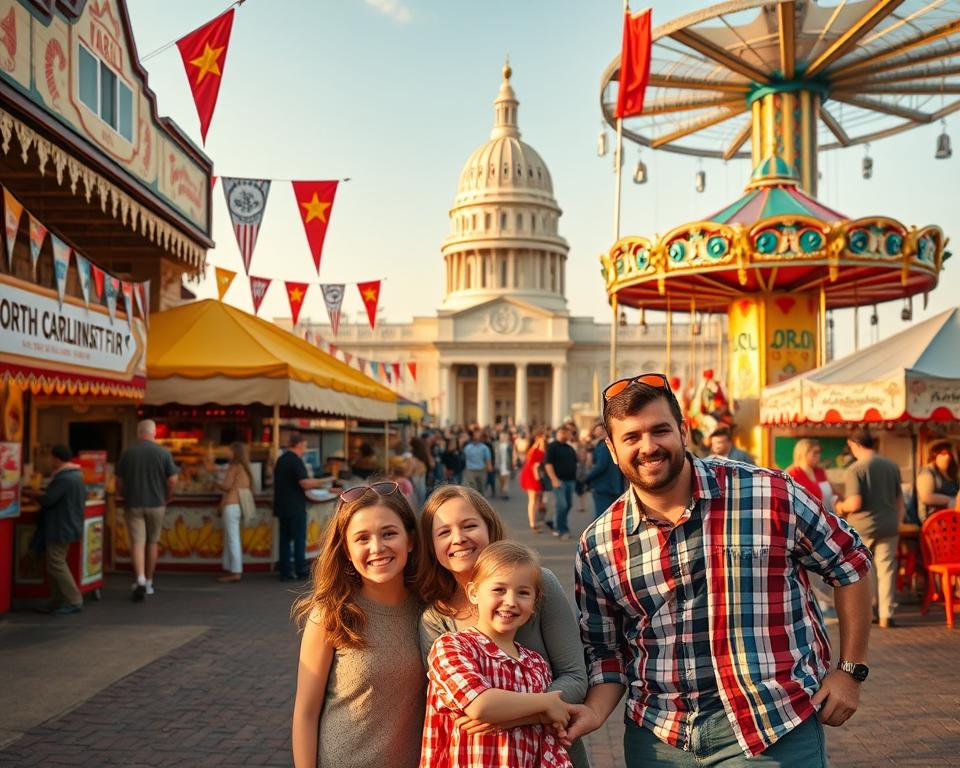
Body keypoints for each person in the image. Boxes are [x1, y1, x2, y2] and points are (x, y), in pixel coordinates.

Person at [567, 373, 874, 767]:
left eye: (660, 430)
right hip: (660, 738)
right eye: (631, 437)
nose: (648, 447)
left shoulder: (767, 493)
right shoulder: (599, 544)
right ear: (611, 448)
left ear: (682, 429)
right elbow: (605, 649)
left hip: (770, 729)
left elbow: (851, 562)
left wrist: (850, 671)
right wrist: (594, 712)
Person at [417, 485, 590, 768]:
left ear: (489, 527)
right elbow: (463, 708)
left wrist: (522, 715)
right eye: (444, 532)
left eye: (469, 525)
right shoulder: (436, 619)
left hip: (547, 754)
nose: (458, 538)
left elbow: (574, 677)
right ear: (431, 544)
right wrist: (547, 707)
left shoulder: (538, 584)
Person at [291, 481, 425, 768]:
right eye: (362, 538)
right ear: (347, 550)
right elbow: (305, 714)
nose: (377, 548)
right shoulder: (331, 614)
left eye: (389, 533)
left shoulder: (431, 611)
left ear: (410, 540)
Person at [835, 429, 904, 629]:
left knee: (865, 571)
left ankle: (868, 611)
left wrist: (840, 506)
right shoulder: (892, 466)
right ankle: (886, 615)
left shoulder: (856, 469)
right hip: (889, 525)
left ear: (854, 444)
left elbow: (855, 503)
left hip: (863, 527)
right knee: (887, 570)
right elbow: (898, 499)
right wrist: (896, 521)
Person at [116, 419, 179, 602]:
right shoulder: (163, 453)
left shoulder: (128, 452)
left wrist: (124, 495)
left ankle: (140, 579)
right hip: (157, 504)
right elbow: (173, 479)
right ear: (154, 433)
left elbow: (118, 481)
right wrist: (167, 496)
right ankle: (149, 582)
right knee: (152, 542)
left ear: (138, 433)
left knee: (137, 542)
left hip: (133, 504)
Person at [27, 445, 85, 615]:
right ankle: (57, 600)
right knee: (54, 563)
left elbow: (49, 499)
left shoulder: (64, 478)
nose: (50, 461)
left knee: (56, 563)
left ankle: (74, 599)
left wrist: (35, 494)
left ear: (57, 459)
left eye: (52, 458)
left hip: (60, 526)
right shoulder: (75, 476)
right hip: (68, 525)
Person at [273, 433, 326, 582]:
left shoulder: (281, 459)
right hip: (295, 505)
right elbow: (305, 483)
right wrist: (325, 481)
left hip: (281, 505)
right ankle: (301, 569)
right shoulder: (296, 461)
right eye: (305, 445)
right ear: (299, 444)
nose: (305, 448)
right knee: (299, 538)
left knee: (284, 539)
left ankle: (285, 571)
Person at [216, 442, 254, 584]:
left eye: (229, 451)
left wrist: (215, 482)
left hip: (231, 505)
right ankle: (230, 567)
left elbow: (226, 486)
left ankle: (235, 571)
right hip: (238, 506)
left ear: (235, 452)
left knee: (232, 539)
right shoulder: (245, 468)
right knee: (232, 538)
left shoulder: (234, 467)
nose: (227, 453)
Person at [583, 423, 624, 519]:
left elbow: (600, 466)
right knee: (612, 516)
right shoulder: (613, 443)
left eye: (597, 430)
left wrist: (587, 477)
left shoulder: (603, 445)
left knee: (602, 517)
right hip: (614, 485)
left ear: (603, 430)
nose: (594, 432)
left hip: (604, 486)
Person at [544, 425, 578, 539]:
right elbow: (548, 464)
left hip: (571, 481)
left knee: (568, 505)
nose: (567, 435)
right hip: (559, 481)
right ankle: (561, 529)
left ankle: (556, 523)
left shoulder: (569, 447)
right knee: (562, 505)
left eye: (569, 433)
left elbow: (577, 461)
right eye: (565, 433)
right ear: (559, 433)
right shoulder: (552, 446)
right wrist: (554, 479)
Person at [916, 440, 958, 522]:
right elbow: (926, 497)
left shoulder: (952, 472)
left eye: (949, 454)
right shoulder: (927, 472)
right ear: (935, 455)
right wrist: (950, 500)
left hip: (952, 518)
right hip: (933, 520)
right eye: (943, 454)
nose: (947, 457)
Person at [519, 429, 547, 532]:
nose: (544, 439)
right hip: (531, 475)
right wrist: (538, 443)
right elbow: (531, 458)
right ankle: (532, 522)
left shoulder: (540, 449)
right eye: (542, 437)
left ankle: (534, 520)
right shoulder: (533, 449)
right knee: (532, 498)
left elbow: (543, 454)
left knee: (537, 498)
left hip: (537, 475)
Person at [495, 431, 513, 500]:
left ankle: (505, 493)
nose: (503, 438)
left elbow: (512, 455)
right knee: (501, 481)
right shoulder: (497, 445)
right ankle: (502, 491)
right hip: (499, 465)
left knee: (506, 480)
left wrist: (512, 464)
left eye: (504, 437)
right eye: (502, 437)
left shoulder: (509, 445)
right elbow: (495, 456)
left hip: (507, 465)